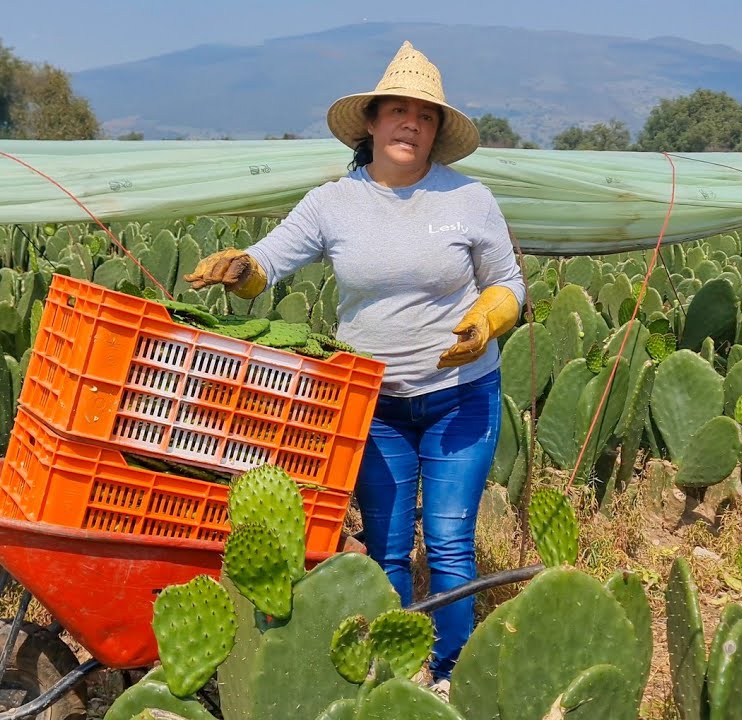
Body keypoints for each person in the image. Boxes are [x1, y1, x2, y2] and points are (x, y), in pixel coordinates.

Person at [184, 41, 524, 691]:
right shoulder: (332, 203)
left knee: (450, 541)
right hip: (375, 404)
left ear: (436, 131)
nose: (410, 125)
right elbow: (270, 262)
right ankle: (398, 675)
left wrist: (486, 324)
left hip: (462, 396)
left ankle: (453, 673)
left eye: (424, 116)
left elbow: (506, 283)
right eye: (397, 111)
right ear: (371, 122)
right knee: (390, 546)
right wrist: (240, 269)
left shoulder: (469, 198)